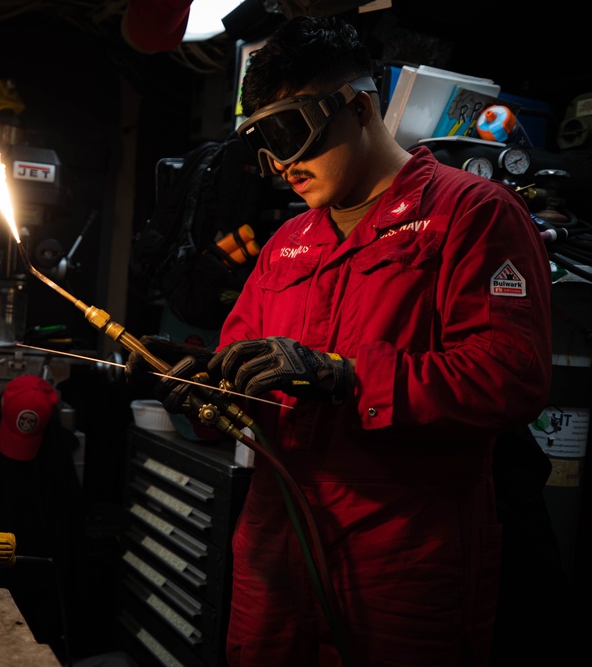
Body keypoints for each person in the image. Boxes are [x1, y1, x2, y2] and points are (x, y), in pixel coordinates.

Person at [126, 14, 553, 667]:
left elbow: (510, 374)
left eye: (291, 133)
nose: (282, 163)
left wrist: (346, 377)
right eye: (264, 143)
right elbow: (243, 403)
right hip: (274, 560)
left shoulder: (471, 215)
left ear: (358, 105)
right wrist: (199, 384)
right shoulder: (286, 246)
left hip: (400, 567)